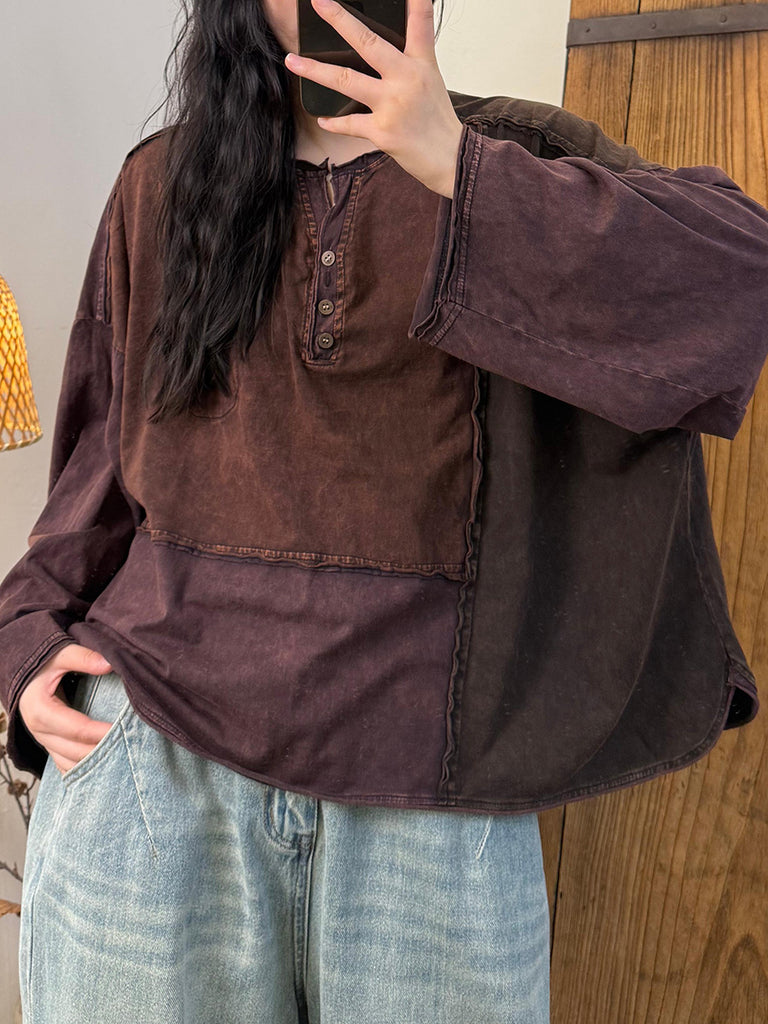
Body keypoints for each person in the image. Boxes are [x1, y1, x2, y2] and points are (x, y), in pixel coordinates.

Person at [1, 0, 767, 1021]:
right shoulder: (165, 183)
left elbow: (736, 288)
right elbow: (96, 472)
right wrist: (25, 641)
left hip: (436, 794)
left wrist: (456, 165)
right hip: (152, 765)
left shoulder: (526, 155)